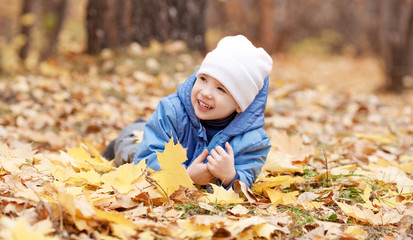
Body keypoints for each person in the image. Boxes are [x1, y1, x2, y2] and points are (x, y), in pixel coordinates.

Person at [103, 35, 273, 189]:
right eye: (203, 79)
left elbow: (246, 180)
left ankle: (139, 127)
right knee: (131, 149)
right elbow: (146, 159)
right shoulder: (172, 110)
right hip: (150, 151)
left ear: (240, 104)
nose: (205, 92)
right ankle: (123, 139)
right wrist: (186, 176)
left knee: (140, 134)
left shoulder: (253, 140)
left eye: (221, 89)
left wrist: (230, 177)